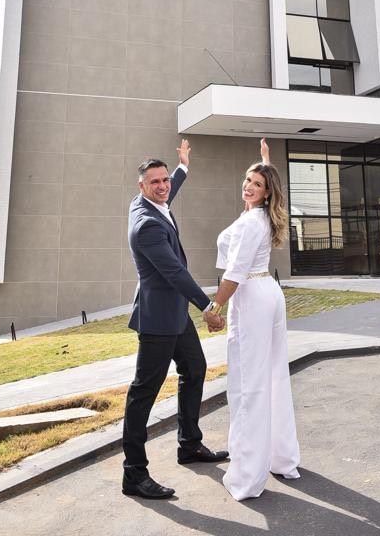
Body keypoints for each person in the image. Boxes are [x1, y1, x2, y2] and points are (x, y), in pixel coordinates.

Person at [122, 139, 227, 500]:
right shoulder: (146, 226)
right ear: (141, 186)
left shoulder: (149, 202)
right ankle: (134, 474)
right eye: (155, 182)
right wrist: (208, 306)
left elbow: (169, 191)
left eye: (165, 179)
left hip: (175, 315)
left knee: (195, 369)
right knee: (143, 394)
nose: (163, 186)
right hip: (157, 320)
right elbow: (175, 273)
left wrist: (182, 167)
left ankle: (189, 444)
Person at [208, 138, 300, 500]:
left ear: (266, 193)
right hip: (268, 294)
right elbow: (264, 184)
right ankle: (280, 457)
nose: (248, 185)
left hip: (251, 298)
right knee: (273, 376)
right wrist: (264, 161)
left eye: (256, 183)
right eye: (247, 179)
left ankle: (247, 476)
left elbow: (234, 273)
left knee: (248, 384)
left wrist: (215, 308)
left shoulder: (251, 223)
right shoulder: (259, 215)